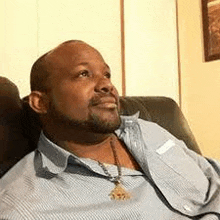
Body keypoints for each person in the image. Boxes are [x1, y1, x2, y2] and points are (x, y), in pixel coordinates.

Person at [0, 40, 220, 219]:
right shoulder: (23, 205)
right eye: (83, 74)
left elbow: (211, 173)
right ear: (41, 102)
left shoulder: (147, 129)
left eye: (107, 74)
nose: (107, 85)